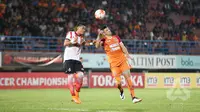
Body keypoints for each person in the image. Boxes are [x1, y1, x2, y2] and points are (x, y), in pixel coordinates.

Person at [95, 25, 142, 103]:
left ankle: (133, 97)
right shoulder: (103, 40)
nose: (109, 30)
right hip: (114, 64)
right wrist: (99, 36)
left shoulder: (116, 37)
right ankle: (121, 91)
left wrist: (127, 55)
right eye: (106, 30)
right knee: (118, 83)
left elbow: (122, 46)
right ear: (104, 33)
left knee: (128, 78)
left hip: (123, 61)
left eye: (108, 29)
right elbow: (96, 46)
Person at [63, 23, 87, 104]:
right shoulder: (70, 33)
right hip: (68, 58)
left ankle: (77, 92)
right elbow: (65, 44)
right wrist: (72, 41)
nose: (84, 30)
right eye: (82, 29)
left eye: (84, 29)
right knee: (70, 76)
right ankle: (73, 96)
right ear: (78, 29)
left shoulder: (82, 38)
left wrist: (92, 42)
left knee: (81, 75)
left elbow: (84, 43)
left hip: (77, 59)